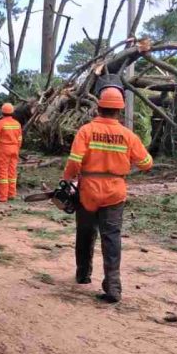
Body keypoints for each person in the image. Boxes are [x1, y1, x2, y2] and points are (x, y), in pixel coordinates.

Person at [62, 86, 153, 303]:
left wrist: (68, 180)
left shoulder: (86, 131)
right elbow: (147, 164)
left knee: (85, 233)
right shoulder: (128, 136)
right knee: (111, 237)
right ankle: (113, 286)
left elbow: (75, 161)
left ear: (99, 107)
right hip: (115, 192)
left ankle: (83, 274)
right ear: (119, 111)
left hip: (88, 191)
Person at [0, 103, 22, 203]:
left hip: (4, 149)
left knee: (3, 172)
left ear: (2, 112)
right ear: (12, 112)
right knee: (12, 172)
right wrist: (17, 148)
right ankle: (11, 194)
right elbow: (20, 139)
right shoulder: (17, 124)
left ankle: (3, 196)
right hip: (14, 148)